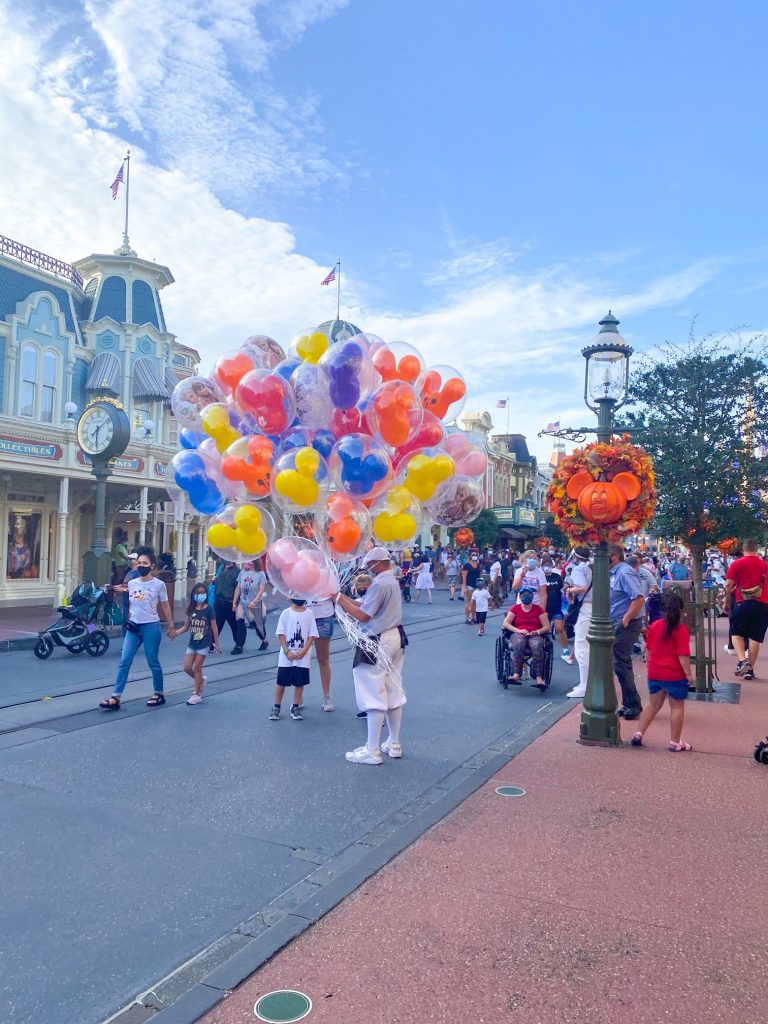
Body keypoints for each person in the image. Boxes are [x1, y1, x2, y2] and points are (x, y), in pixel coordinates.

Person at [335, 547, 407, 765]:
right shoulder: (391, 580)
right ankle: (393, 743)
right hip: (396, 636)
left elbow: (364, 615)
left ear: (378, 563)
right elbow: (364, 606)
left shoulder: (379, 584)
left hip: (378, 640)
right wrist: (341, 598)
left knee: (372, 690)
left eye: (370, 565)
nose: (368, 569)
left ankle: (372, 749)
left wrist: (338, 598)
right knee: (393, 688)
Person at [99, 546, 175, 710]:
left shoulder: (159, 585)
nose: (141, 565)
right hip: (134, 627)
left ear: (152, 566)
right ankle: (115, 697)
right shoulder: (132, 583)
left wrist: (170, 626)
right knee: (124, 661)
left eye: (145, 563)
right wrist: (115, 589)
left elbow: (166, 606)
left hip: (150, 627)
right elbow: (127, 590)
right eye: (139, 562)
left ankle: (159, 693)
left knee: (152, 661)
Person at [630, 591, 694, 751]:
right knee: (677, 707)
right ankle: (675, 741)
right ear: (680, 611)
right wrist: (688, 674)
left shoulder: (655, 626)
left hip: (655, 672)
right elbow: (682, 656)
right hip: (674, 675)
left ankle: (638, 733)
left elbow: (649, 650)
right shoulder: (681, 630)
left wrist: (649, 666)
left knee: (652, 705)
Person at [608, 544, 645, 719]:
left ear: (614, 557)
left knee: (620, 663)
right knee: (620, 663)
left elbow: (638, 598)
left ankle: (632, 704)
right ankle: (630, 702)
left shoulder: (624, 572)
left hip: (626, 623)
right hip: (620, 620)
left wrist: (625, 619)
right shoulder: (616, 573)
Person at [270, 596, 318, 721]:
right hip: (286, 656)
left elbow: (312, 635)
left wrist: (304, 650)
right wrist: (287, 651)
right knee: (281, 681)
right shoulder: (286, 613)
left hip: (303, 656)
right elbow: (281, 633)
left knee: (299, 682)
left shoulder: (309, 613)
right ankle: (276, 706)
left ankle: (295, 706)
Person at [725, 539, 768, 680]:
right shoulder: (764, 565)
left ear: (743, 550)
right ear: (756, 549)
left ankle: (742, 661)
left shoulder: (737, 563)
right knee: (755, 637)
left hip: (742, 602)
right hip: (762, 604)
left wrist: (726, 601)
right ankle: (750, 670)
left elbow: (728, 585)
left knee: (736, 633)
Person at [175, 582, 221, 705]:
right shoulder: (190, 609)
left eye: (202, 593)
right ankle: (200, 680)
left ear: (206, 594)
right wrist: (176, 633)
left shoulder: (209, 609)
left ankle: (196, 694)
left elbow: (214, 626)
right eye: (197, 593)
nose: (200, 595)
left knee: (197, 668)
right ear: (193, 595)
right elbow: (185, 627)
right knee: (187, 667)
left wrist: (216, 643)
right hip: (192, 642)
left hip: (204, 642)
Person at [502, 587, 550, 690]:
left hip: (535, 634)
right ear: (520, 596)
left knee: (537, 646)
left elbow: (547, 626)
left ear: (532, 596)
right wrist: (518, 630)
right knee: (519, 643)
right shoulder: (515, 608)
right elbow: (506, 623)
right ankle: (516, 674)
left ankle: (539, 678)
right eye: (524, 594)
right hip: (519, 633)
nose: (526, 596)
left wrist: (537, 632)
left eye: (528, 594)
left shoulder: (538, 609)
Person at [565, 545, 592, 699]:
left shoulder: (578, 569)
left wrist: (569, 590)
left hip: (586, 607)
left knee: (581, 645)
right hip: (596, 607)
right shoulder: (593, 567)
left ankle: (584, 685)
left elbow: (582, 587)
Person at [308, 596, 336, 711]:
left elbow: (335, 594)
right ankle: (297, 696)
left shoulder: (329, 577)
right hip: (302, 614)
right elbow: (291, 593)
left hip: (323, 616)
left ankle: (326, 696)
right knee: (301, 658)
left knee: (323, 658)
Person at [234, 560, 269, 651]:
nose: (247, 562)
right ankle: (239, 645)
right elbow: (238, 587)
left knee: (257, 625)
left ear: (255, 562)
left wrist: (254, 602)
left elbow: (261, 590)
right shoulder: (242, 572)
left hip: (255, 605)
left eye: (250, 561)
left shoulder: (261, 574)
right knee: (240, 622)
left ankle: (264, 640)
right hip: (243, 602)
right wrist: (234, 602)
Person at [542, 557, 570, 659]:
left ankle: (565, 650)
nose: (547, 567)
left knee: (560, 628)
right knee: (544, 630)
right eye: (545, 564)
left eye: (549, 564)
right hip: (544, 608)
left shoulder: (557, 577)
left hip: (556, 608)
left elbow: (563, 588)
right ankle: (542, 648)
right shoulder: (541, 577)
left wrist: (566, 588)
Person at [213, 560, 243, 654]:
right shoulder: (221, 568)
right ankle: (211, 643)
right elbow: (218, 582)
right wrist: (215, 581)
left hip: (230, 602)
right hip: (219, 601)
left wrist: (236, 603)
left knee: (234, 625)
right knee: (217, 624)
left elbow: (238, 588)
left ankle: (238, 644)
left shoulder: (237, 572)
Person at [461, 553, 483, 623]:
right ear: (470, 556)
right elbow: (464, 576)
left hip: (477, 585)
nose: (474, 556)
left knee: (475, 602)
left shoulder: (478, 565)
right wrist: (464, 587)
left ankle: (474, 618)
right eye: (473, 555)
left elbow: (480, 576)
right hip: (469, 585)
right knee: (469, 601)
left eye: (476, 555)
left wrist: (482, 586)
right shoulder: (467, 565)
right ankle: (468, 618)